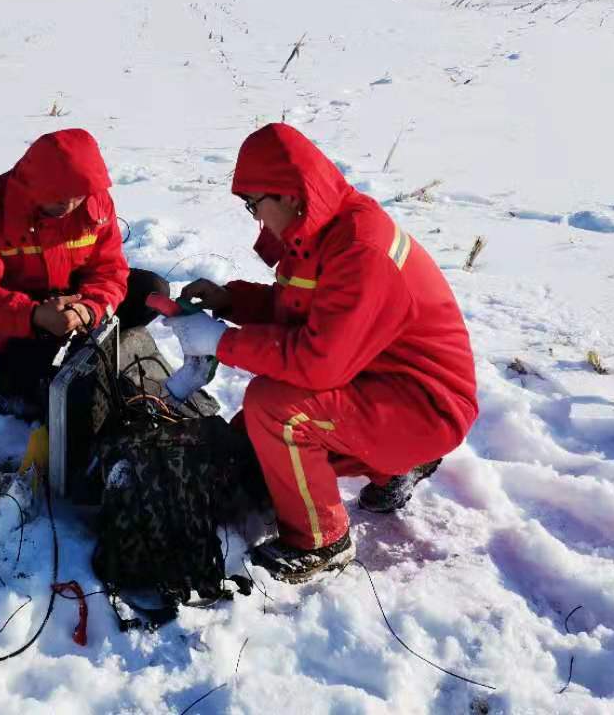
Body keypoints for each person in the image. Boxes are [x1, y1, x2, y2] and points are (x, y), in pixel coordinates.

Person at [166, 123, 478, 583]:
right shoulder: (319, 233)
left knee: (275, 409)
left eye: (255, 204)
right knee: (257, 443)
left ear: (289, 194)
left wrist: (220, 343)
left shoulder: (360, 250)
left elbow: (317, 362)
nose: (255, 217)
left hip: (425, 406)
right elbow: (298, 311)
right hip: (380, 383)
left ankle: (321, 541)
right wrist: (230, 301)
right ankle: (394, 463)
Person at [0, 128, 168, 421]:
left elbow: (109, 269)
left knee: (151, 291)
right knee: (23, 387)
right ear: (33, 183)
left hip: (75, 298)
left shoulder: (95, 201)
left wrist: (89, 309)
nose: (68, 205)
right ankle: (8, 385)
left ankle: (84, 356)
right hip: (23, 314)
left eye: (77, 195)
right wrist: (35, 316)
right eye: (57, 196)